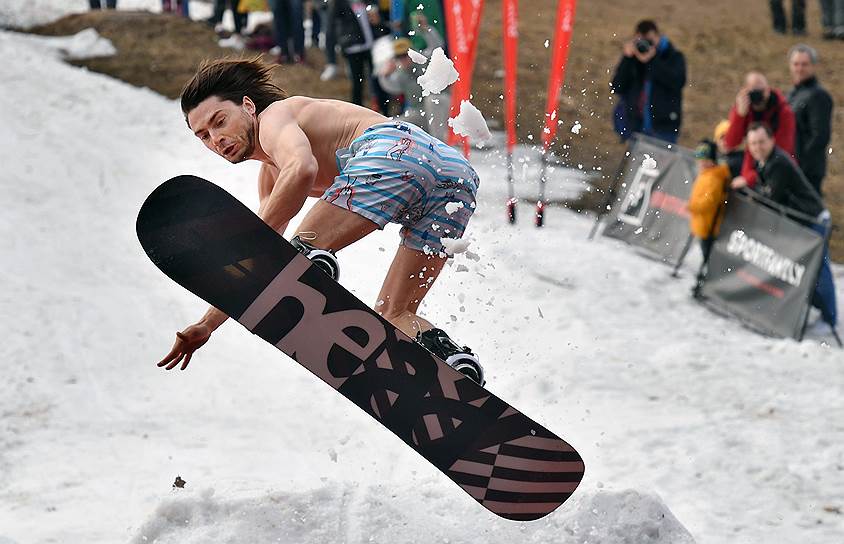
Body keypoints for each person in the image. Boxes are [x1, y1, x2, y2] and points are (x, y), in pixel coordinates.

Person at [158, 57, 485, 384]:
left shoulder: (274, 118)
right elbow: (259, 261)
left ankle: (309, 262)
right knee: (394, 313)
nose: (216, 139)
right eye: (204, 136)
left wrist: (269, 247)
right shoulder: (271, 180)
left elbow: (302, 168)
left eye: (219, 121)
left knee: (295, 249)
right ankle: (451, 361)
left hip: (394, 149)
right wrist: (208, 324)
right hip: (453, 176)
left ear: (247, 106)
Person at [740, 123, 837, 328]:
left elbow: (771, 198)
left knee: (819, 271)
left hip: (814, 220)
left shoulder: (778, 163)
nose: (757, 147)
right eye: (753, 143)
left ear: (772, 141)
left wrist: (747, 189)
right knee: (803, 270)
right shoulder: (763, 163)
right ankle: (810, 311)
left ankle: (830, 319)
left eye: (761, 142)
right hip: (798, 222)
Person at [610, 19, 686, 144]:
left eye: (650, 41)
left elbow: (677, 82)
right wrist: (627, 59)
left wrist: (652, 60)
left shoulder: (673, 57)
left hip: (663, 127)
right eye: (641, 41)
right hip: (636, 126)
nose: (646, 45)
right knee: (635, 163)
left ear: (658, 36)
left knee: (660, 163)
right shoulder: (634, 59)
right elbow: (617, 87)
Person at [724, 71, 795, 189]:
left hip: (776, 171)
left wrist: (750, 178)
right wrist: (740, 115)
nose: (758, 96)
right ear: (745, 92)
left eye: (761, 91)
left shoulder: (783, 112)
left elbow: (781, 154)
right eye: (753, 92)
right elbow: (730, 143)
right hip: (752, 166)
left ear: (768, 90)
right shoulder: (744, 109)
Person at [787, 44, 833, 194]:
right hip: (792, 165)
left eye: (804, 64)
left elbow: (820, 136)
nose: (799, 68)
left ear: (813, 66)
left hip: (807, 170)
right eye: (796, 64)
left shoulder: (818, 96)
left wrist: (800, 165)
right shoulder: (792, 94)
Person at [687, 139, 731, 262]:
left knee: (707, 254)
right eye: (700, 160)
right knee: (704, 251)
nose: (702, 163)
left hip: (709, 225)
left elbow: (709, 202)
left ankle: (703, 274)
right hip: (702, 221)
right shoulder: (705, 174)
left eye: (706, 160)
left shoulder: (714, 178)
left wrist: (692, 206)